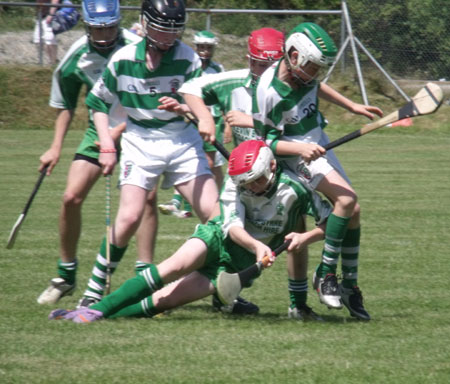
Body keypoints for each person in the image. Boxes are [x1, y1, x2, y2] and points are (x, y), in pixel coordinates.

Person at [49, 140, 333, 323]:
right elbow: (233, 226)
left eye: (256, 181)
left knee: (165, 300)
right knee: (170, 268)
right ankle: (94, 310)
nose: (251, 188)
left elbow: (330, 222)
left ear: (272, 166)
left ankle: (95, 317)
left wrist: (305, 237)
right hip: (219, 238)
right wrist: (258, 246)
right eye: (246, 184)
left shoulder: (298, 190)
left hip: (241, 264)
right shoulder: (237, 184)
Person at [76, 0, 220, 307]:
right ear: (144, 23)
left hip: (182, 139)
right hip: (139, 140)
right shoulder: (123, 59)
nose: (168, 38)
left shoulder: (189, 58)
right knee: (128, 217)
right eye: (160, 29)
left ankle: (219, 286)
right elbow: (98, 103)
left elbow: (199, 104)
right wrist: (106, 145)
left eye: (174, 31)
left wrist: (185, 110)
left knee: (215, 213)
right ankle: (93, 291)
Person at [252, 22, 382, 320]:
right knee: (346, 202)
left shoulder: (304, 75)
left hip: (317, 143)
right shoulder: (269, 90)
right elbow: (265, 143)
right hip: (297, 154)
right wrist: (300, 150)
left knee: (354, 210)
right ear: (293, 55)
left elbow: (316, 85)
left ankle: (349, 285)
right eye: (312, 66)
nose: (315, 74)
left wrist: (352, 106)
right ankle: (325, 274)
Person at [36, 0, 159, 306]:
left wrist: (118, 133)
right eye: (96, 29)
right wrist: (55, 148)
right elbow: (66, 104)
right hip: (97, 131)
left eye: (109, 28)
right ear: (86, 26)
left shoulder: (138, 47)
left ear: (119, 23)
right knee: (70, 198)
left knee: (147, 199)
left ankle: (144, 278)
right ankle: (66, 275)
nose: (103, 36)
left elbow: (155, 94)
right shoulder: (76, 56)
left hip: (140, 128)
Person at [179, 28, 285, 314]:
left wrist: (251, 121)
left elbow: (298, 130)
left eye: (270, 65)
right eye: (257, 63)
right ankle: (177, 288)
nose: (262, 71)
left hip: (277, 179)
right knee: (223, 237)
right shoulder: (233, 81)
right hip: (240, 180)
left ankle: (293, 303)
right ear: (249, 60)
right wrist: (199, 116)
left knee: (265, 240)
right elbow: (190, 89)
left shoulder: (287, 89)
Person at [158, 30, 225, 219]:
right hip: (189, 119)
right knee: (195, 161)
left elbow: (222, 97)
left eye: (208, 48)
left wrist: (225, 122)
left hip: (211, 121)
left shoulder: (217, 69)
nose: (204, 51)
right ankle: (181, 203)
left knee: (210, 164)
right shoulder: (186, 65)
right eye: (201, 47)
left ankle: (209, 202)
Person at [33, 0, 60, 65]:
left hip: (49, 16)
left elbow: (55, 0)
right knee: (37, 40)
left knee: (49, 40)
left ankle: (53, 63)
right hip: (41, 15)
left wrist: (51, 14)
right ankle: (45, 62)